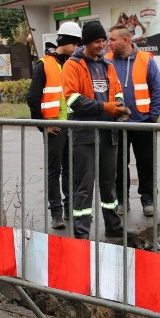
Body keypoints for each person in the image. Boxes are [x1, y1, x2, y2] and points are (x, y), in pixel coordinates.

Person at [61, 20, 131, 239]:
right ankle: (81, 233)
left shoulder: (107, 65)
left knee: (109, 184)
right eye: (97, 42)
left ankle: (113, 227)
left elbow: (117, 91)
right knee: (84, 186)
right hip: (84, 134)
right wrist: (105, 107)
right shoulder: (72, 66)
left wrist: (119, 107)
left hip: (108, 133)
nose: (102, 45)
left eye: (103, 41)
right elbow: (73, 100)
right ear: (86, 43)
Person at [27, 21, 84, 230]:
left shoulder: (74, 63)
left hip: (72, 126)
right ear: (67, 41)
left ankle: (69, 209)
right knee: (54, 171)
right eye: (76, 43)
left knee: (70, 169)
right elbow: (33, 98)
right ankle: (57, 214)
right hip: (54, 127)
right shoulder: (44, 64)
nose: (78, 47)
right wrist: (42, 126)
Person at [106, 24, 160, 217]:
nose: (109, 43)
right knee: (118, 165)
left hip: (143, 122)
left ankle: (148, 200)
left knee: (146, 164)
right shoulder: (106, 61)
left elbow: (157, 88)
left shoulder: (145, 59)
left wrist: (153, 117)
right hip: (117, 123)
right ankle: (121, 201)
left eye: (112, 39)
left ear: (126, 40)